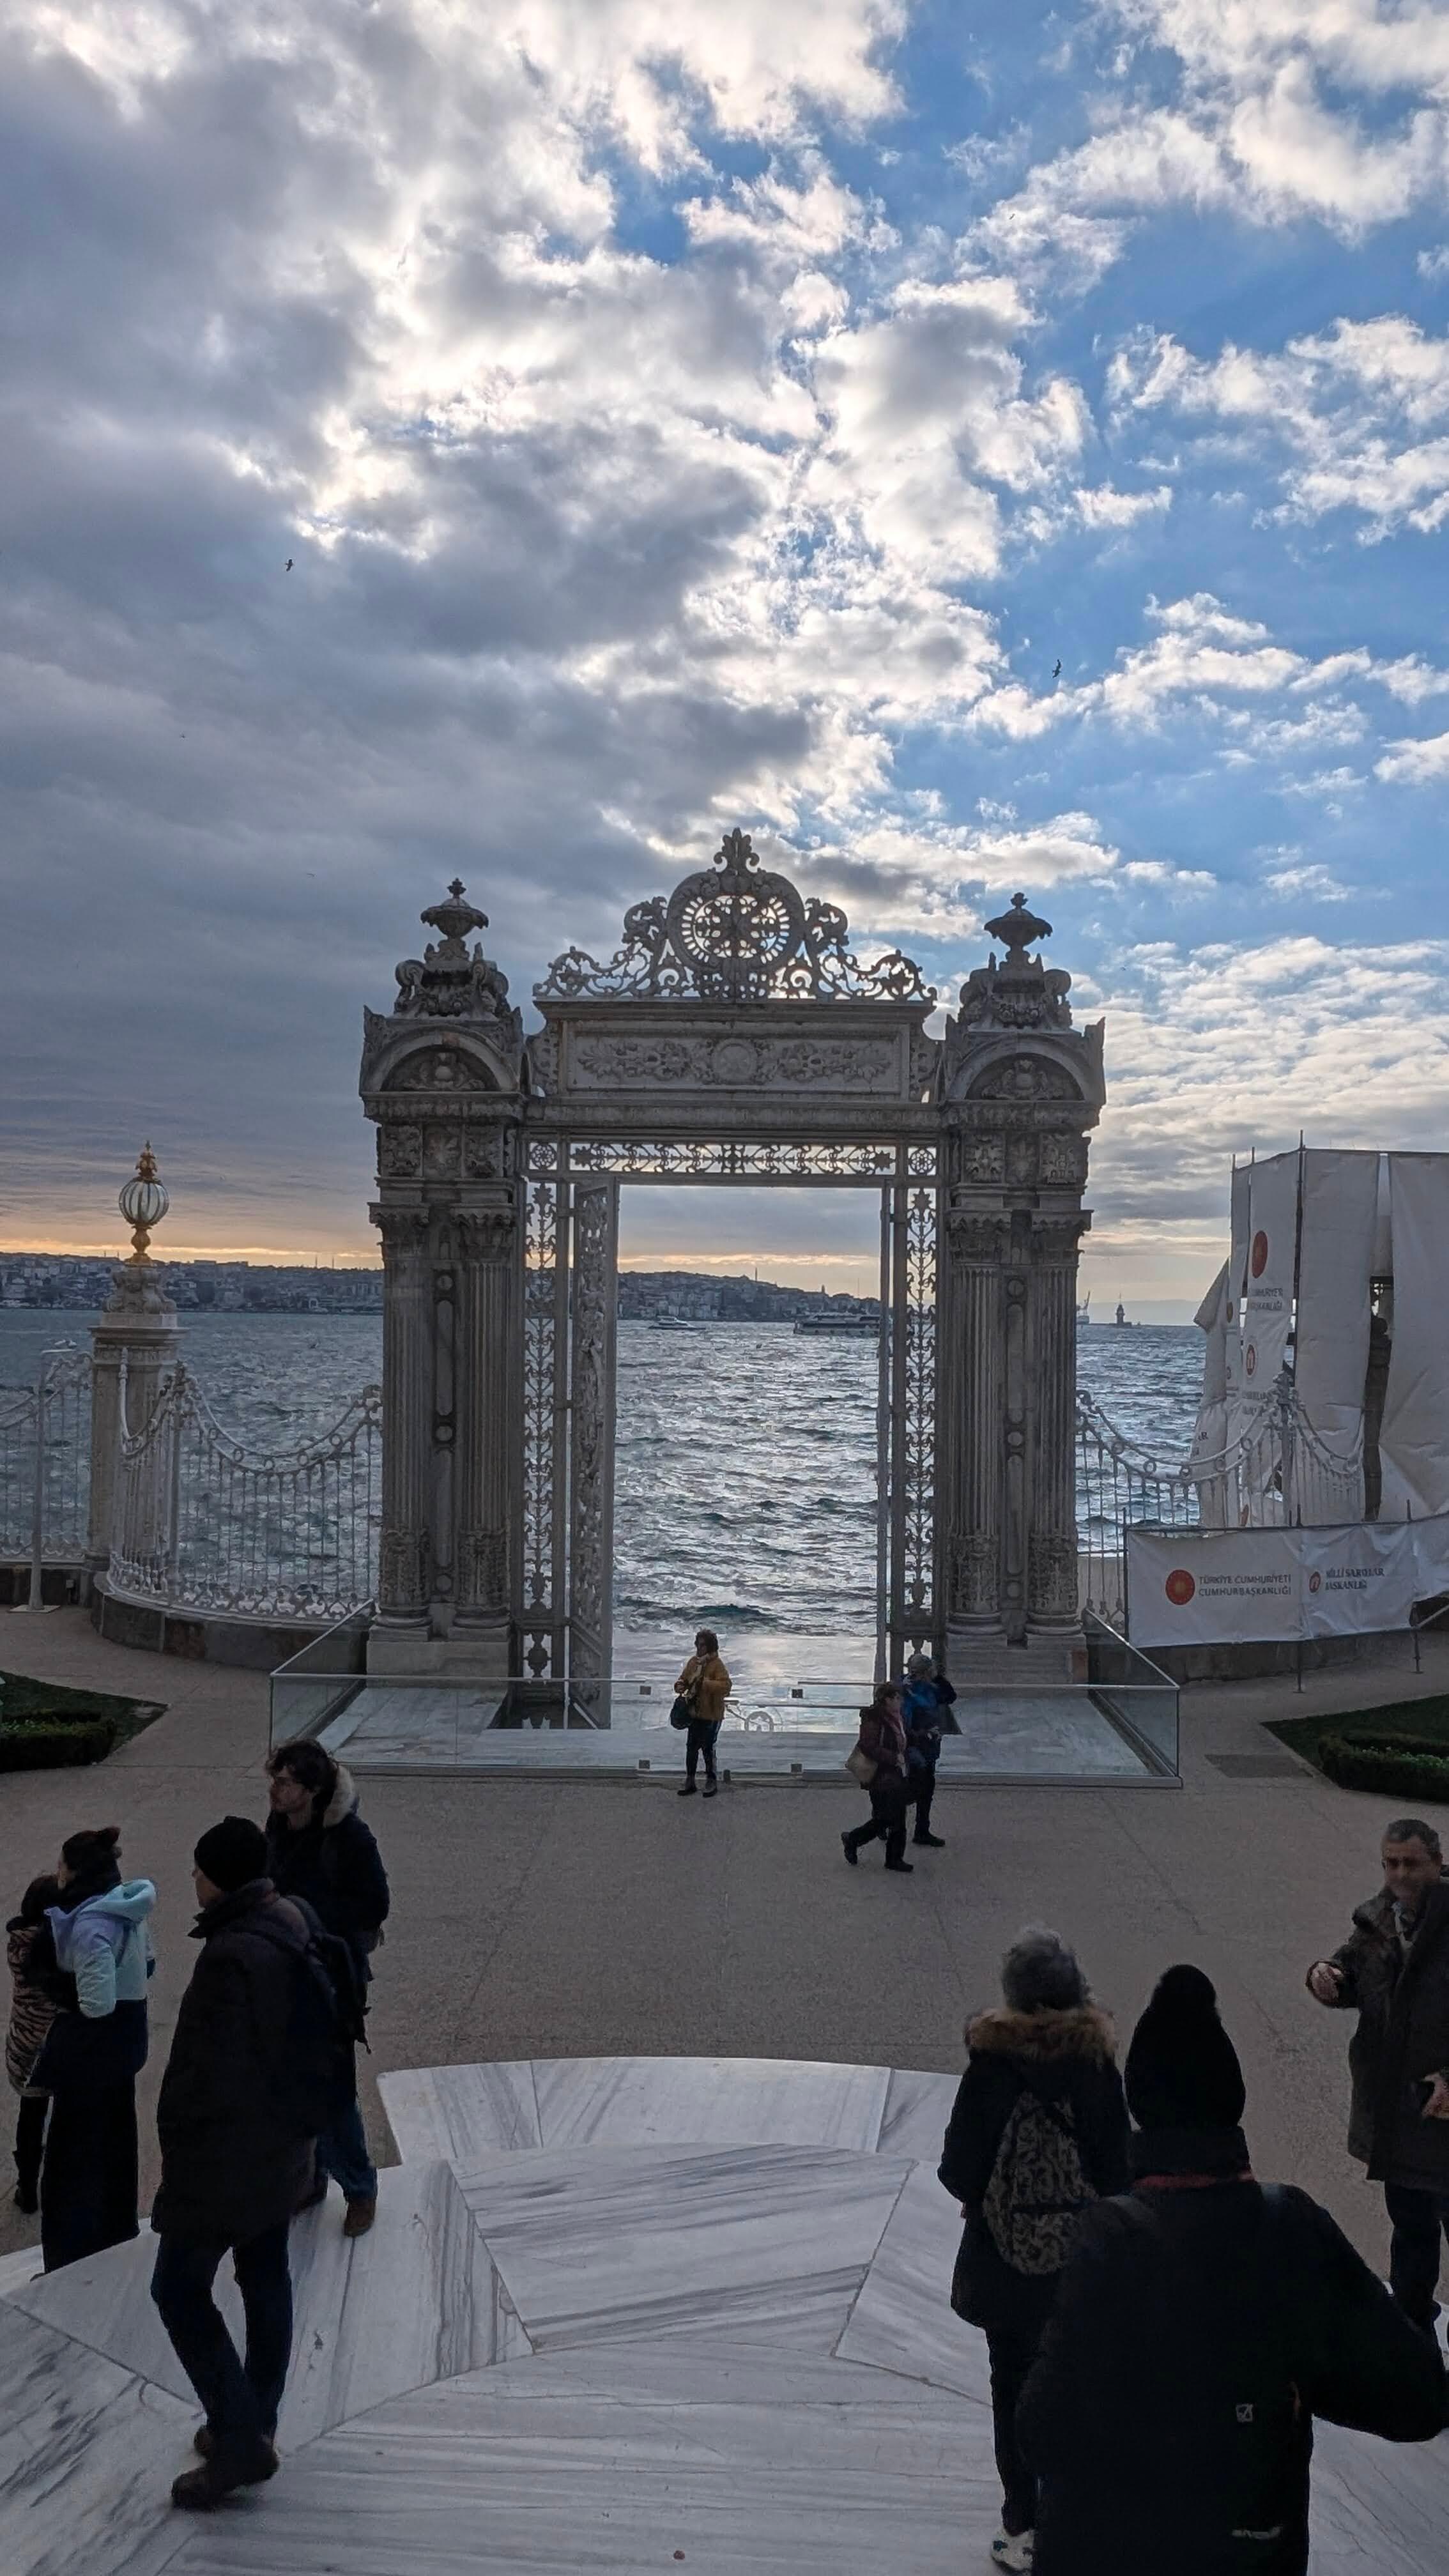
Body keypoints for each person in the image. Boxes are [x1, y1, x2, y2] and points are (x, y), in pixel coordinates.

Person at [1016, 1963, 1447, 2576]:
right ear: (1233, 2101)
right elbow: (1418, 2401)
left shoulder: (1110, 2241)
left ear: (1139, 2104)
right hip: (1248, 2551)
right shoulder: (1291, 2226)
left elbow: (1040, 2433)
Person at [939, 1928, 1129, 2573]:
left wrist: (983, 2196)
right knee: (1079, 2383)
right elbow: (1117, 2166)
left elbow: (958, 2167)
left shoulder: (992, 2065)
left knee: (1011, 2382)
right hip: (1081, 2261)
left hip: (1005, 2256)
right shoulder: (1095, 2064)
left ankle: (1023, 2525)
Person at [151, 1816, 321, 2511]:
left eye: (196, 1869)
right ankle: (257, 2416)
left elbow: (208, 2077)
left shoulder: (231, 1955)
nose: (190, 1880)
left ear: (217, 1877)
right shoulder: (290, 1916)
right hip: (283, 2147)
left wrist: (181, 2153)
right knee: (265, 2274)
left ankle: (239, 2434)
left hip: (228, 2160)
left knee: (178, 2289)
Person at [1307, 1815, 1449, 2334]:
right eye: (1391, 1863)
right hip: (1402, 2115)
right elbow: (1350, 1976)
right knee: (1411, 2237)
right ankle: (1415, 2354)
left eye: (1412, 1863)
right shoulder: (1377, 1923)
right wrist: (1325, 1979)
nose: (1400, 1875)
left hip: (1446, 2114)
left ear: (1439, 1863)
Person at [264, 1740, 389, 2236]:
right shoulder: (278, 1827)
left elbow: (375, 1904)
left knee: (333, 2089)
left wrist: (306, 1917)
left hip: (330, 1979)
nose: (274, 1789)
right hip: (283, 1973)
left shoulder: (351, 1838)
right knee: (291, 2082)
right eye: (274, 1779)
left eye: (285, 1781)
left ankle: (359, 2188)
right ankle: (310, 2179)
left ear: (311, 1790)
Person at [27, 1825, 155, 2272]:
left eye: (62, 1863)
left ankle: (67, 2256)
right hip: (126, 2052)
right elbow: (150, 1963)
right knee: (117, 2149)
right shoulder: (128, 1909)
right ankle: (116, 2234)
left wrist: (60, 1985)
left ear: (75, 1872)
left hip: (90, 2061)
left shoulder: (89, 1925)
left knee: (69, 2164)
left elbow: (96, 2006)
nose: (56, 1870)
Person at [6, 1872, 60, 2214]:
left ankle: (27, 2187)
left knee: (31, 2114)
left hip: (25, 2044)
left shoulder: (18, 1942)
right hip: (58, 2043)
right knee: (66, 2117)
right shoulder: (60, 1946)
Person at [841, 1682, 913, 1872]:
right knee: (889, 1818)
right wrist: (892, 1757)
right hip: (881, 1775)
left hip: (893, 1773)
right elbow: (868, 1745)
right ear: (887, 1700)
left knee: (891, 1817)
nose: (901, 1701)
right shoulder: (873, 1718)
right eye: (897, 1698)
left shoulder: (897, 1718)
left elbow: (904, 1739)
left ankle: (891, 1857)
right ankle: (855, 1840)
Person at [901, 1650, 956, 1850]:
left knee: (924, 1788)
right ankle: (884, 1819)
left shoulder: (903, 1684)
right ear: (927, 1672)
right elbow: (950, 1695)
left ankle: (921, 1830)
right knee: (917, 1789)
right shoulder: (925, 1690)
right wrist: (937, 1676)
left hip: (925, 1745)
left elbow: (950, 1696)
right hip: (918, 1745)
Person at [674, 1628, 732, 1799]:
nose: (699, 1648)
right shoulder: (694, 1663)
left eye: (702, 1645)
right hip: (694, 1712)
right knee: (691, 1747)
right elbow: (682, 1679)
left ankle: (711, 1779)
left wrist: (705, 1684)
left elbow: (726, 1687)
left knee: (708, 1747)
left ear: (710, 1647)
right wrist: (679, 1686)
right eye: (697, 1645)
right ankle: (690, 1780)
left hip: (711, 1713)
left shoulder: (717, 1665)